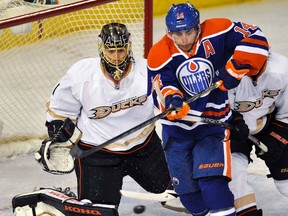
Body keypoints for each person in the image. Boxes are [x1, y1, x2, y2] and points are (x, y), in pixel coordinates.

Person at [36, 22, 171, 216]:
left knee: (173, 192)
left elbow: (168, 102)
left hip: (144, 148)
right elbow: (60, 111)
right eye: (111, 51)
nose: (116, 57)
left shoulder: (146, 71)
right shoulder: (81, 75)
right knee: (98, 212)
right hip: (97, 154)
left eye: (121, 50)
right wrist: (58, 134)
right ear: (102, 48)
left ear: (128, 47)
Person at [147, 2, 269, 216]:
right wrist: (172, 101)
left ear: (198, 28)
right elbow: (160, 90)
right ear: (169, 33)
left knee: (212, 184)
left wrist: (235, 68)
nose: (184, 39)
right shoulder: (159, 53)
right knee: (189, 198)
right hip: (177, 134)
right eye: (177, 34)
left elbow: (256, 38)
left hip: (212, 127)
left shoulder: (218, 30)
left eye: (189, 31)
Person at [228, 51, 288, 216]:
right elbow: (219, 110)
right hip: (234, 131)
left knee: (286, 184)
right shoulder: (226, 72)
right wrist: (234, 123)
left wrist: (278, 137)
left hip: (269, 124)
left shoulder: (281, 69)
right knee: (235, 173)